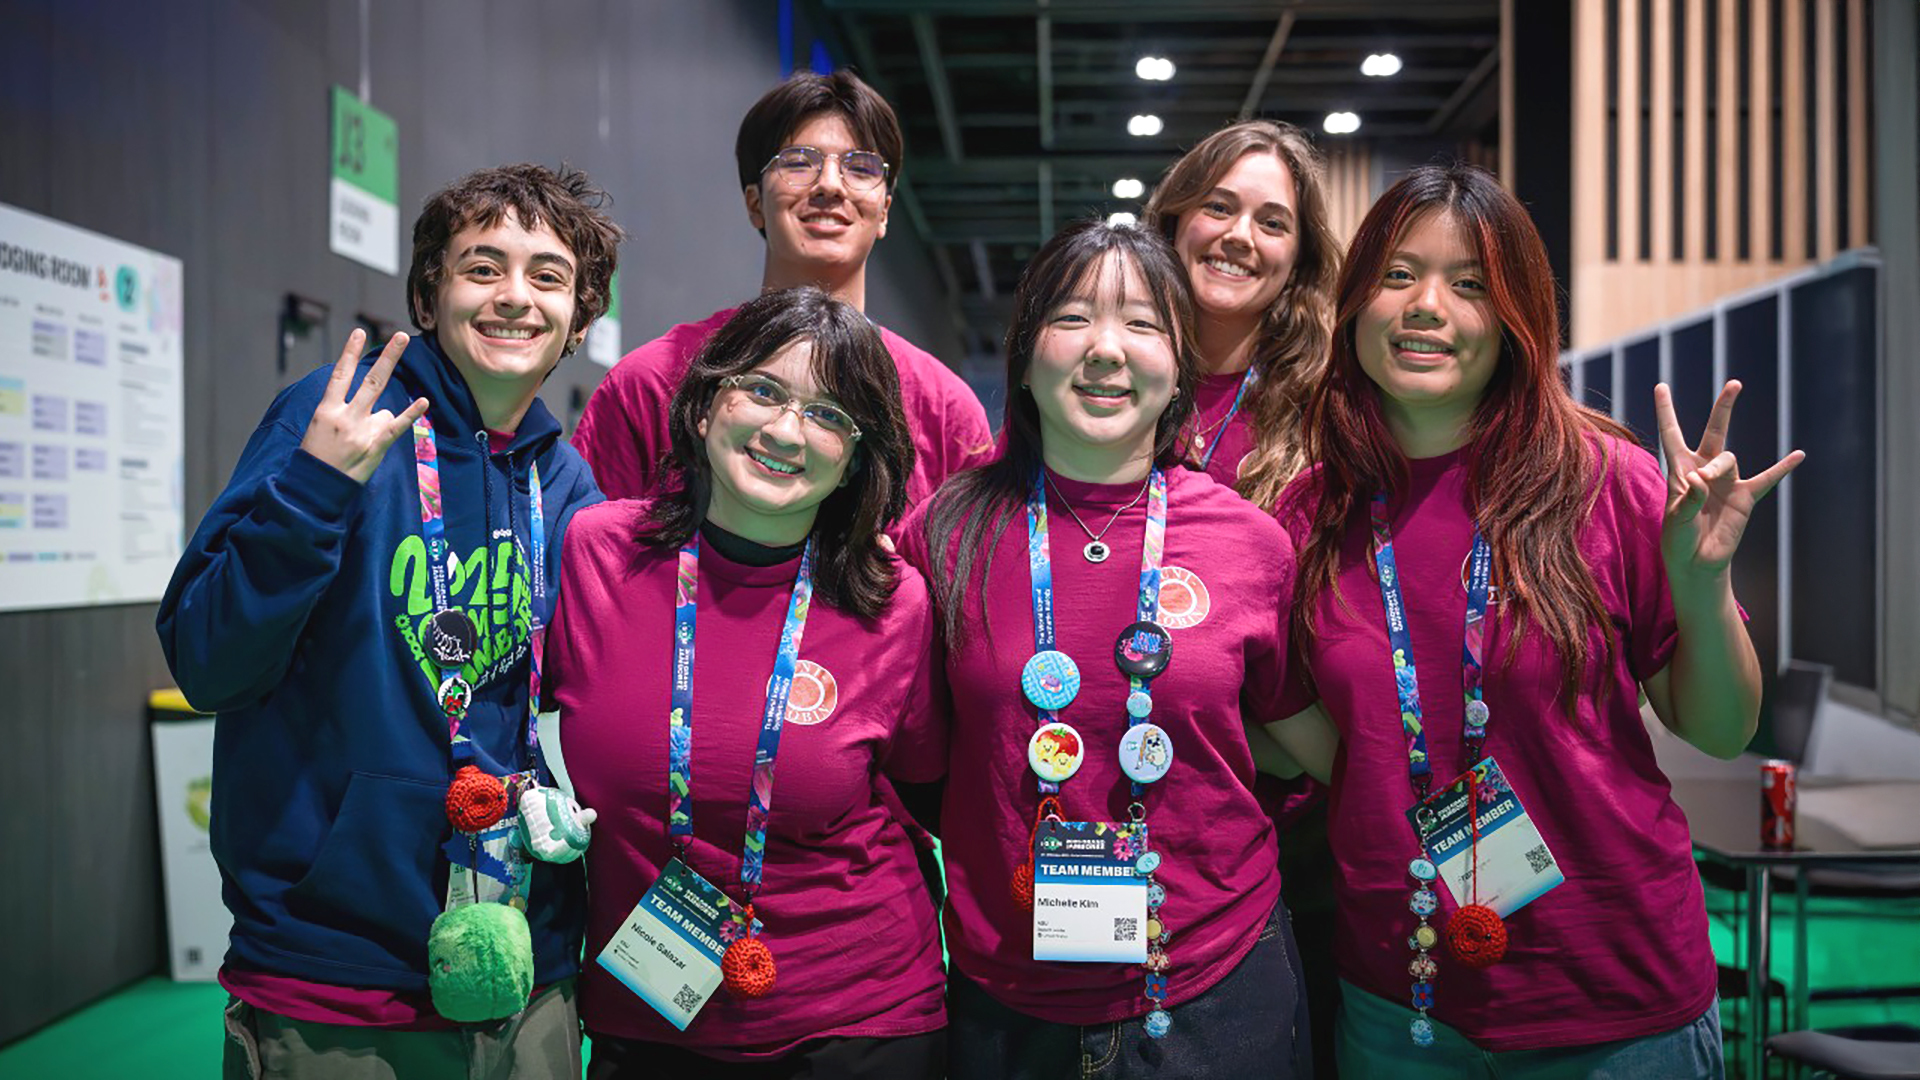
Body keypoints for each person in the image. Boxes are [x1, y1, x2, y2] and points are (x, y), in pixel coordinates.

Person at [1270, 162, 1800, 1078]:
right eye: (1397, 275)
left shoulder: (1608, 481)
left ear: (1516, 317)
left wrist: (1702, 581)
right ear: (1354, 302)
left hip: (1618, 1005)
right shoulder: (1313, 511)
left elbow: (1721, 728)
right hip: (1403, 1006)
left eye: (1468, 283)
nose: (1426, 306)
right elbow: (1325, 742)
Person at [157, 163, 622, 1079]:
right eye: (481, 268)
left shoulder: (564, 486)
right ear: (429, 292)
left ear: (581, 312)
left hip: (523, 960)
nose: (514, 298)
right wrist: (314, 491)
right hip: (333, 970)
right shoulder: (335, 420)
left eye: (547, 276)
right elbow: (208, 661)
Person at [900, 220, 1334, 1079]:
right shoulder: (944, 532)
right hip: (1008, 1001)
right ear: (1024, 358)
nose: (1106, 350)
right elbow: (913, 756)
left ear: (1179, 368)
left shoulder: (1250, 542)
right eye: (1072, 319)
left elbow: (1300, 739)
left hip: (1216, 985)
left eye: (1141, 324)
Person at [545, 287, 947, 1079]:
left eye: (831, 415)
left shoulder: (893, 602)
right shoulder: (596, 552)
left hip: (859, 1021)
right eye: (762, 390)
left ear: (856, 461)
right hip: (649, 1012)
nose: (786, 430)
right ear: (703, 407)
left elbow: (929, 790)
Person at [1143, 117, 1345, 1073]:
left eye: (1272, 221)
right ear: (1175, 218)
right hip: (1133, 808)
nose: (1238, 235)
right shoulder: (1111, 381)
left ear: (1298, 257)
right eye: (1218, 206)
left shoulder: (1336, 411)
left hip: (1295, 828)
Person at [573, 70, 990, 511]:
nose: (830, 184)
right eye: (798, 162)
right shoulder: (653, 380)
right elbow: (584, 554)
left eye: (860, 166)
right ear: (755, 203)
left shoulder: (945, 412)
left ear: (884, 210)